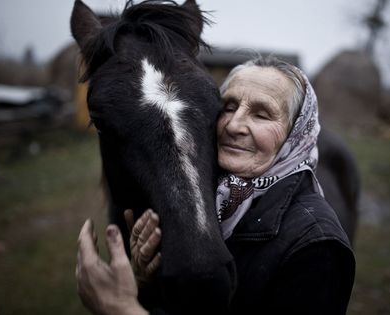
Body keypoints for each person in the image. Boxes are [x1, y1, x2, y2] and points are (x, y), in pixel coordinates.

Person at [76, 56, 355, 315]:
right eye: (229, 106)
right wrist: (147, 283)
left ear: (297, 134)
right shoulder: (206, 199)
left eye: (261, 114)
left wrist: (122, 310)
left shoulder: (318, 248)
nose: (234, 125)